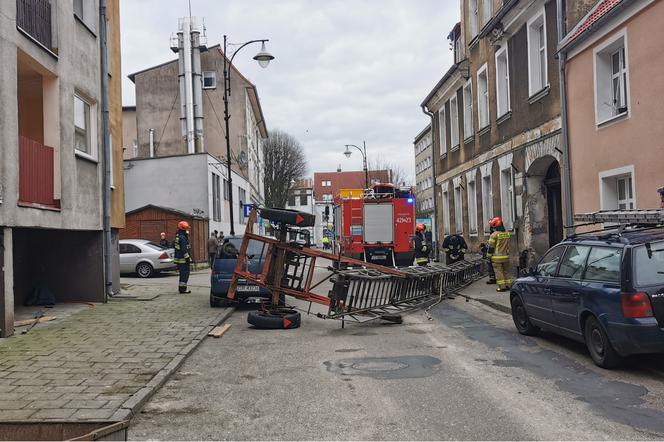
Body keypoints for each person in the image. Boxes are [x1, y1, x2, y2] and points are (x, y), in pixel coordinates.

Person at [487, 217, 511, 292]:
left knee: (499, 272)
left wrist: (488, 256)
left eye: (492, 227)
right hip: (506, 256)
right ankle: (508, 286)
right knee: (506, 271)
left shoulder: (494, 235)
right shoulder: (507, 233)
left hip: (496, 258)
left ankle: (502, 287)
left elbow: (491, 247)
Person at [174, 221, 192, 294]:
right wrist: (187, 258)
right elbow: (184, 249)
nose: (187, 230)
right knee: (185, 274)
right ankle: (183, 289)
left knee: (182, 274)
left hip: (180, 259)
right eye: (187, 229)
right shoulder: (183, 237)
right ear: (183, 229)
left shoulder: (178, 236)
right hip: (184, 260)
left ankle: (182, 288)